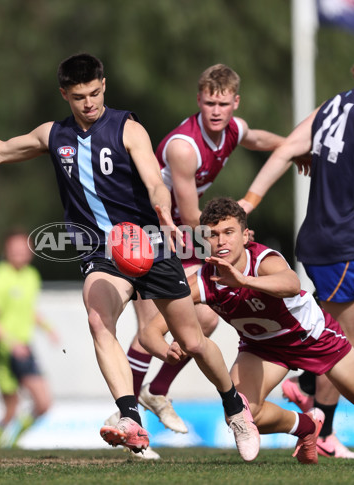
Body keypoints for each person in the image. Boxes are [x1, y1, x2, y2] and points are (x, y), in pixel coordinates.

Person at [0, 53, 259, 460]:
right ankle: (129, 416)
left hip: (147, 244)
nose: (89, 103)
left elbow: (154, 180)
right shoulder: (52, 135)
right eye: (79, 96)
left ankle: (235, 408)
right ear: (64, 93)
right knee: (98, 320)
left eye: (95, 93)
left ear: (104, 86)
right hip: (101, 252)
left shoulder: (128, 129)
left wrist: (164, 213)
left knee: (193, 340)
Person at [237, 34, 354, 459]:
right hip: (335, 248)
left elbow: (285, 152)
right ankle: (325, 431)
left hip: (345, 244)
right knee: (340, 343)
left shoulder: (330, 108)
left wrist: (249, 201)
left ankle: (308, 383)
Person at [141, 197, 354, 464]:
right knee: (240, 415)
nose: (221, 240)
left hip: (312, 338)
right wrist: (166, 350)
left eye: (229, 232)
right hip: (261, 349)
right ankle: (306, 426)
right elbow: (151, 330)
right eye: (213, 234)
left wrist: (244, 280)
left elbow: (290, 282)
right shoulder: (204, 280)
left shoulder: (263, 259)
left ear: (246, 235)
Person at [114, 64, 288, 448]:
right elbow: (193, 218)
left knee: (206, 318)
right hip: (148, 232)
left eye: (223, 103)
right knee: (152, 330)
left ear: (234, 103)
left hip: (180, 236)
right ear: (199, 100)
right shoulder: (183, 147)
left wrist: (289, 146)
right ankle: (127, 417)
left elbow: (254, 136)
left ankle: (156, 392)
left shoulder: (231, 129)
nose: (215, 110)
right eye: (209, 102)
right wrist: (230, 239)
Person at [0, 229, 58, 448]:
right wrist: (11, 342)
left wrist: (48, 328)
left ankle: (12, 441)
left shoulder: (31, 276)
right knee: (11, 408)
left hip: (24, 348)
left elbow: (28, 310)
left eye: (23, 249)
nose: (19, 253)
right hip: (5, 350)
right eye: (14, 249)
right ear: (6, 251)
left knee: (43, 403)